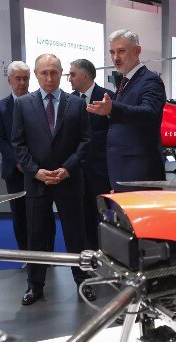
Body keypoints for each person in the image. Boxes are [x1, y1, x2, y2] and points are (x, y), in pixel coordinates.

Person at [11, 54, 95, 305]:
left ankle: (83, 281)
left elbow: (86, 141)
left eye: (54, 72)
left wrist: (68, 169)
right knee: (36, 234)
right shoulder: (23, 104)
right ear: (36, 75)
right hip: (37, 181)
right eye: (44, 73)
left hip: (69, 179)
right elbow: (18, 143)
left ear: (62, 74)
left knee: (76, 234)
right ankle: (35, 285)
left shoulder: (77, 104)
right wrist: (34, 171)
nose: (49, 78)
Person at [87, 29, 166, 192]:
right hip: (123, 171)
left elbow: (149, 113)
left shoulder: (150, 80)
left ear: (137, 51)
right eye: (112, 52)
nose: (116, 57)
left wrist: (113, 108)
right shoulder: (126, 81)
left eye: (121, 51)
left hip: (140, 174)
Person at [0, 61, 55, 253]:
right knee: (19, 214)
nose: (22, 83)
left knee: (44, 214)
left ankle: (48, 254)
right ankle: (26, 255)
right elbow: (1, 139)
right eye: (18, 79)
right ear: (9, 80)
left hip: (39, 170)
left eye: (25, 79)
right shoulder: (1, 107)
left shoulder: (40, 102)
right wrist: (18, 161)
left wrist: (32, 164)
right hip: (15, 172)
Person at [68, 59, 115, 249]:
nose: (69, 79)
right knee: (83, 216)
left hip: (101, 170)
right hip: (76, 171)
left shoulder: (107, 97)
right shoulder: (69, 99)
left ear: (85, 76)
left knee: (105, 215)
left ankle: (109, 252)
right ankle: (90, 252)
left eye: (72, 74)